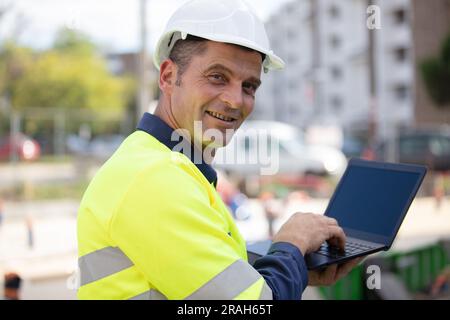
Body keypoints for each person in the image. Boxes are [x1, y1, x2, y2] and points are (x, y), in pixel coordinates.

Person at [77, 0, 362, 300]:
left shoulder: (170, 166)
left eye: (249, 86)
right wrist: (291, 244)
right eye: (217, 77)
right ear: (168, 77)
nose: (235, 100)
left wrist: (293, 268)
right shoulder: (153, 176)